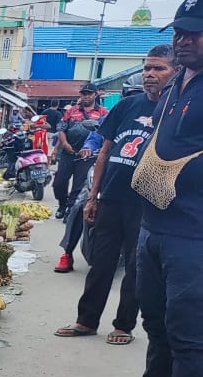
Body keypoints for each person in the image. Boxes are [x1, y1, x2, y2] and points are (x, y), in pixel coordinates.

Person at [95, 0, 203, 377]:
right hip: (156, 225)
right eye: (179, 32)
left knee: (189, 335)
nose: (182, 41)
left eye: (193, 33)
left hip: (195, 233)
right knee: (156, 322)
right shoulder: (179, 83)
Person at [55, 46, 177, 339]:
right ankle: (86, 321)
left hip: (146, 203)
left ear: (176, 72)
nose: (150, 74)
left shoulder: (177, 110)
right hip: (110, 196)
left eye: (159, 68)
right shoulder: (126, 106)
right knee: (101, 262)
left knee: (136, 269)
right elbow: (105, 151)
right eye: (147, 68)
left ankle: (123, 326)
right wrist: (93, 196)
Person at [54, 84, 109, 218]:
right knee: (59, 182)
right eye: (84, 94)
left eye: (89, 94)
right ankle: (62, 204)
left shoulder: (103, 113)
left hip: (87, 156)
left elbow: (106, 133)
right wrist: (65, 144)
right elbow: (61, 128)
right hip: (68, 152)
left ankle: (70, 210)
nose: (86, 96)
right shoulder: (71, 111)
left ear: (95, 95)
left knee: (78, 186)